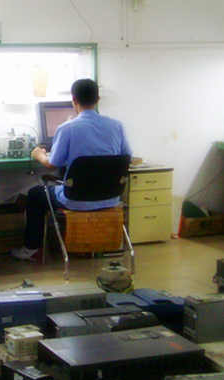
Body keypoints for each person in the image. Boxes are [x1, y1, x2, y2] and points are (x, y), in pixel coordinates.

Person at [11, 79, 133, 261]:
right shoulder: (117, 126)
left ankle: (31, 249)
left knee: (35, 194)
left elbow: (53, 164)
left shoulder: (67, 128)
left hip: (76, 199)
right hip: (110, 198)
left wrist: (38, 154)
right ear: (98, 99)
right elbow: (127, 156)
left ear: (74, 100)